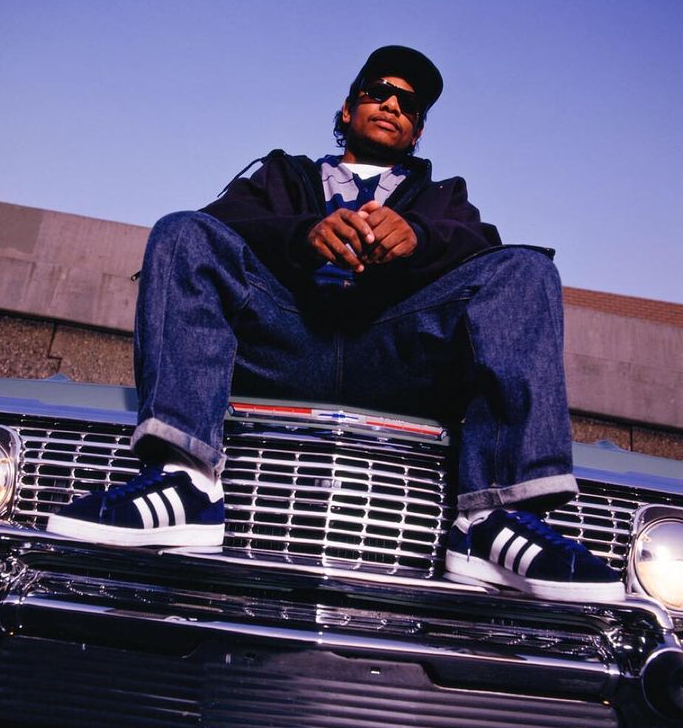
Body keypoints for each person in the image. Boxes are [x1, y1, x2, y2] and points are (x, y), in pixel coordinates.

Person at [47, 45, 624, 602]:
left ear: (418, 131)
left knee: (526, 268)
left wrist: (420, 239)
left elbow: (483, 247)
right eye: (380, 92)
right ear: (347, 110)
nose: (394, 105)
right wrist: (303, 235)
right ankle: (187, 481)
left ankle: (492, 518)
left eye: (411, 105)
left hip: (396, 350)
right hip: (285, 338)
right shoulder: (281, 175)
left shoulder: (445, 198)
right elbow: (221, 224)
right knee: (182, 230)